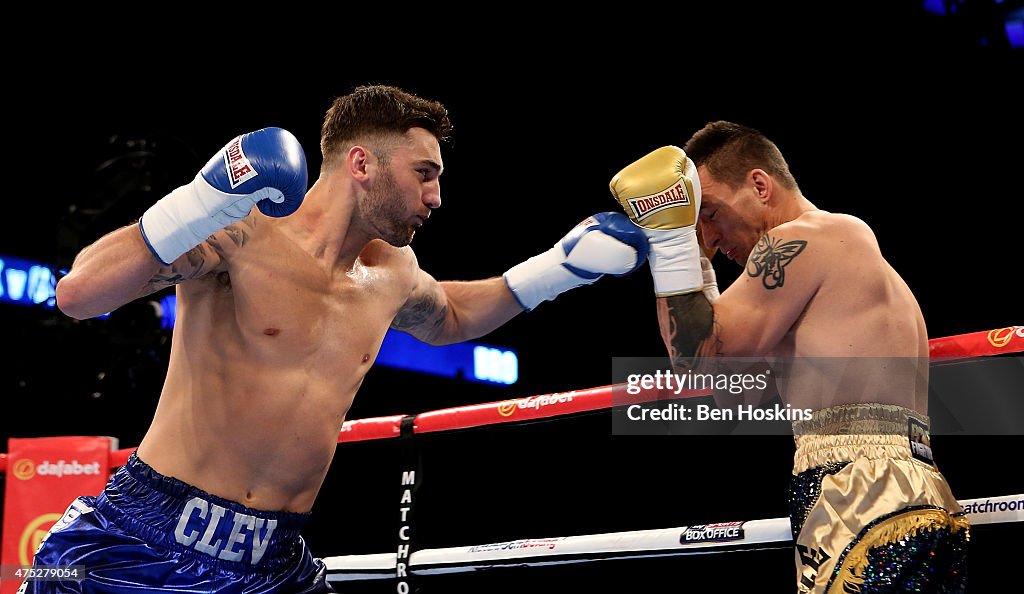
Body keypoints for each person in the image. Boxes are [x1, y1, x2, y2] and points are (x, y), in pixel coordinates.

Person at [32, 84, 649, 593]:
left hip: (277, 562)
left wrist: (557, 269)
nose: (436, 196)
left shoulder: (393, 273)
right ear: (362, 164)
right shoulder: (241, 234)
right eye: (423, 174)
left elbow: (454, 316)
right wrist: (198, 202)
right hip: (148, 536)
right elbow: (79, 294)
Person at [608, 121, 969, 593]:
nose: (711, 239)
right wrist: (694, 260)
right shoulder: (827, 270)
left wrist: (670, 242)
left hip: (860, 487)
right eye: (698, 228)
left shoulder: (809, 236)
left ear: (760, 185)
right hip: (896, 485)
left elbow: (697, 355)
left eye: (711, 213)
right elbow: (729, 393)